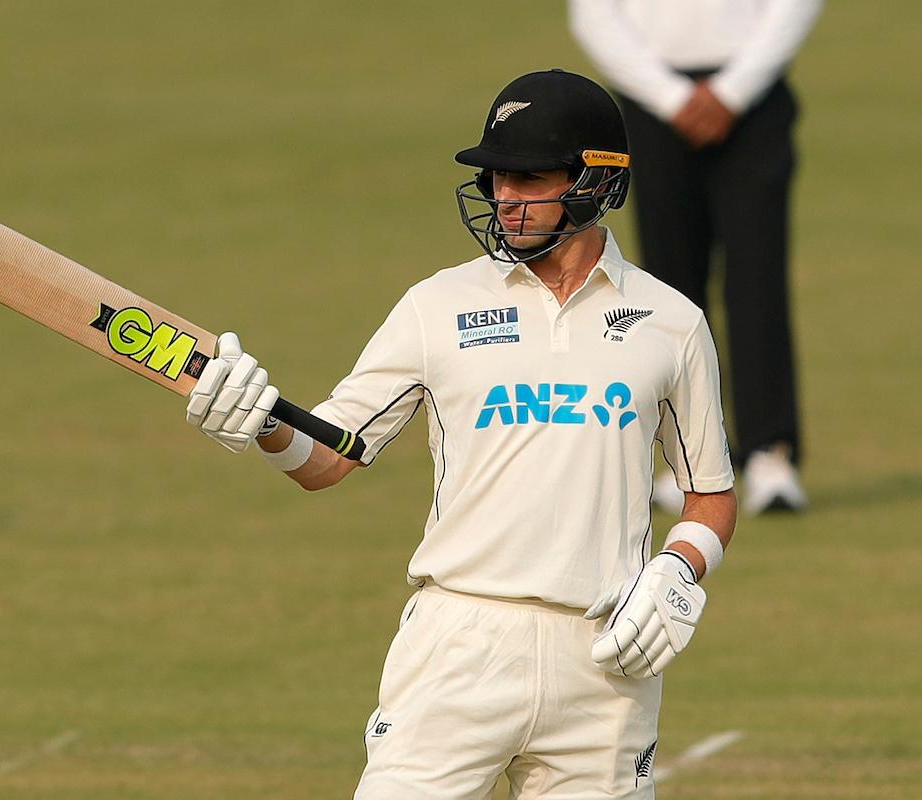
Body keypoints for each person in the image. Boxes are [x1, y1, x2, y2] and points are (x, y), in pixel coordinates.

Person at [186, 69, 737, 799]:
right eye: (496, 179)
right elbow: (329, 456)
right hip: (459, 646)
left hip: (606, 663)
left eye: (528, 178)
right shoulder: (436, 306)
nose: (504, 199)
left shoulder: (671, 323)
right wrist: (262, 425)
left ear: (596, 180)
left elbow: (709, 494)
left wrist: (677, 573)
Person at [569, 0, 823, 515]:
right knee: (666, 288)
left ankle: (770, 454)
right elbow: (593, 15)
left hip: (752, 98)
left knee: (758, 279)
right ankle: (677, 459)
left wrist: (732, 92)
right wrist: (671, 98)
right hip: (652, 101)